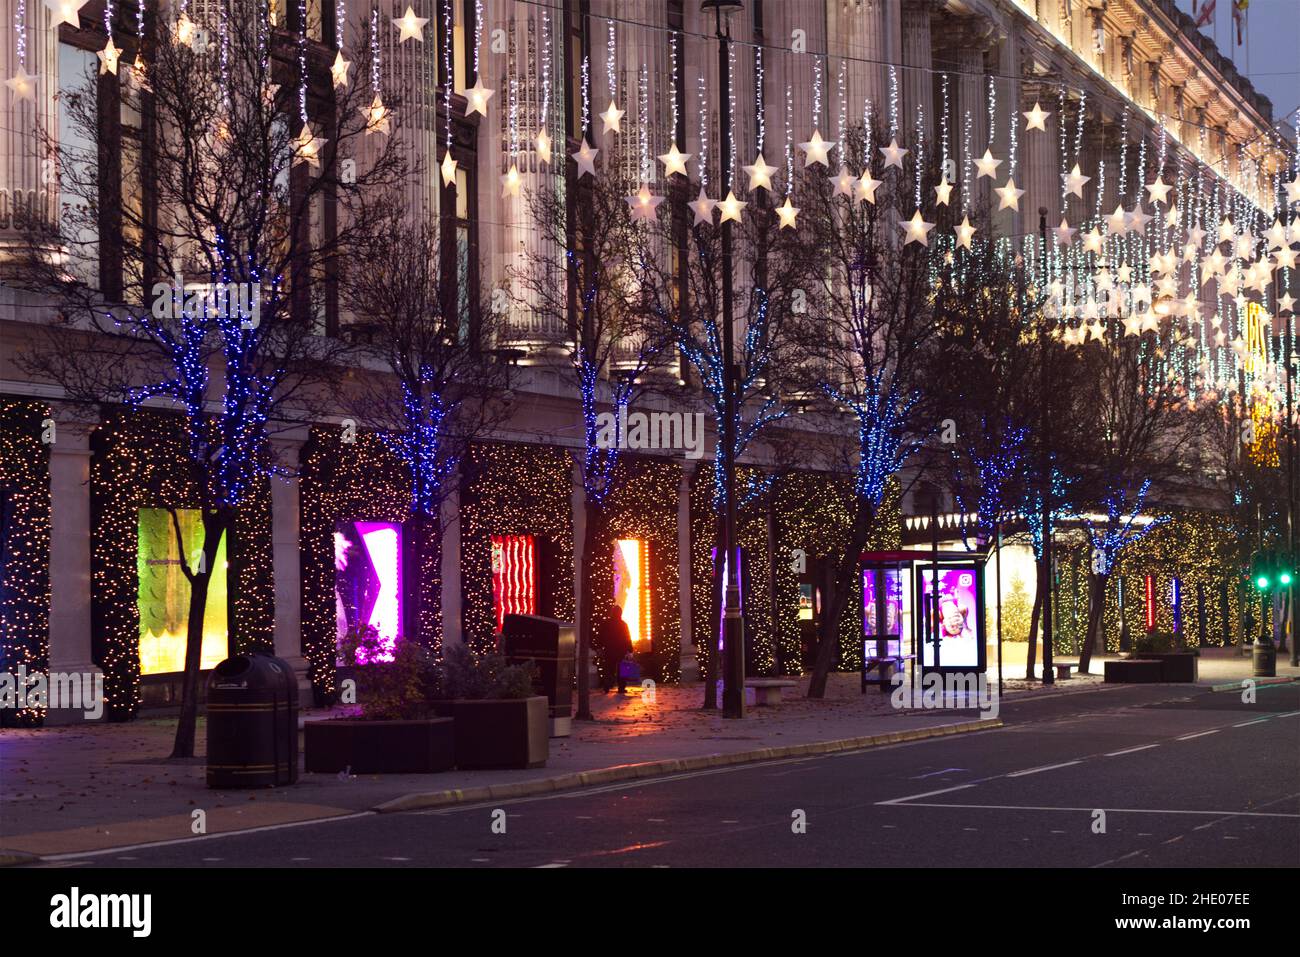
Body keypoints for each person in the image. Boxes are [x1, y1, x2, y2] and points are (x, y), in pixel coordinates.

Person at [597, 605, 634, 693]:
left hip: (609, 649)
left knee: (609, 669)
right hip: (621, 650)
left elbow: (601, 636)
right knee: (622, 669)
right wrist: (630, 649)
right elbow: (627, 637)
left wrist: (599, 647)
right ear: (620, 613)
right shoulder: (623, 624)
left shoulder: (606, 623)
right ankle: (621, 687)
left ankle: (607, 685)